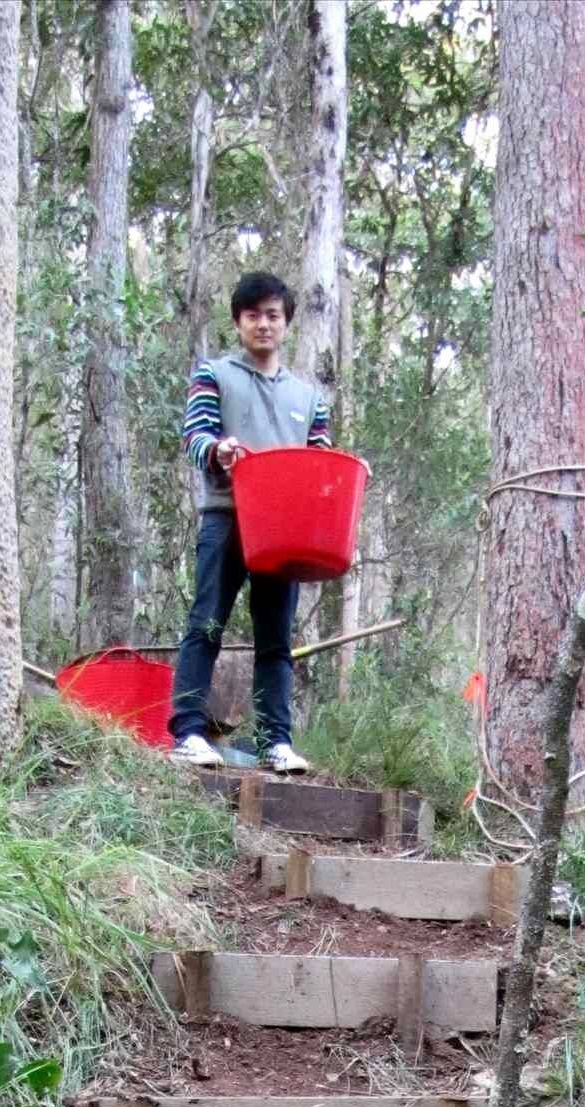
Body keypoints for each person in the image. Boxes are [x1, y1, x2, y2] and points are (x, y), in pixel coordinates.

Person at [170, 271, 331, 772]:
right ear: (239, 321)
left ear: (286, 324)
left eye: (273, 315)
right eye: (253, 315)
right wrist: (218, 449)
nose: (264, 324)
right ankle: (189, 732)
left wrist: (346, 475)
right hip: (228, 518)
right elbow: (195, 435)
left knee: (276, 638)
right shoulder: (214, 375)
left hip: (283, 533)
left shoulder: (309, 399)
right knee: (207, 623)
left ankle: (275, 742)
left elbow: (320, 462)